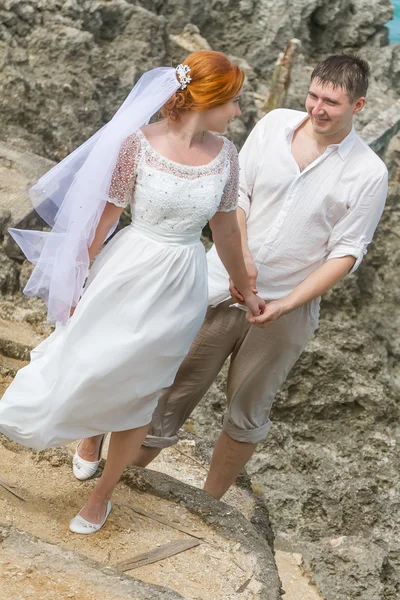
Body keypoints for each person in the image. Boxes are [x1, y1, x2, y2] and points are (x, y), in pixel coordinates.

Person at [0, 50, 265, 533]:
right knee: (90, 360)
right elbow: (102, 220)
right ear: (206, 100)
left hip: (181, 281)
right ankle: (85, 436)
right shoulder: (136, 145)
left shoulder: (227, 156)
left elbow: (226, 233)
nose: (239, 112)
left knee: (144, 390)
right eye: (234, 102)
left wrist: (244, 290)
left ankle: (101, 496)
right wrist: (75, 279)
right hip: (128, 267)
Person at [106, 53, 386, 500]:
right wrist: (244, 261)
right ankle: (120, 485)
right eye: (313, 95)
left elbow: (347, 253)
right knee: (170, 387)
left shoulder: (369, 172)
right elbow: (235, 193)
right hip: (218, 283)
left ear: (359, 105)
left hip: (286, 311)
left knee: (247, 413)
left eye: (331, 102)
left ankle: (207, 505)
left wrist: (287, 304)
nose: (317, 108)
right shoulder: (275, 123)